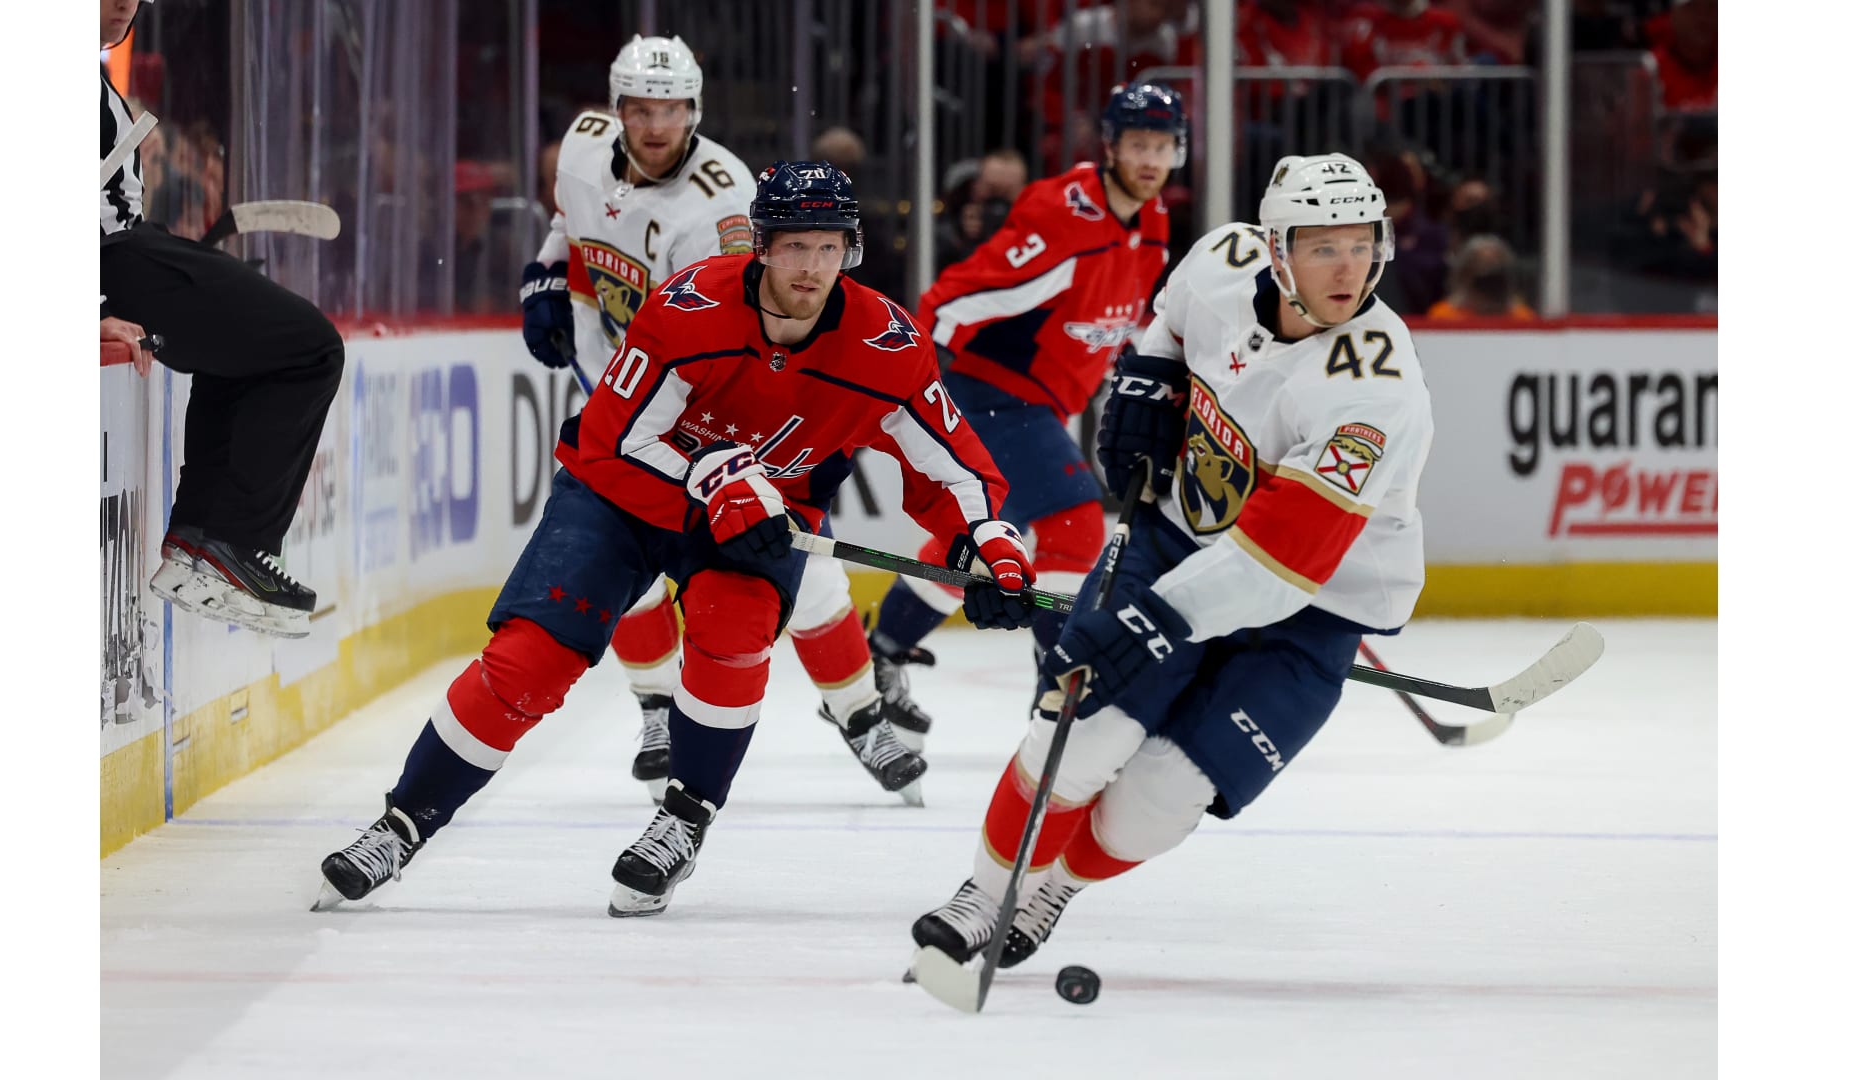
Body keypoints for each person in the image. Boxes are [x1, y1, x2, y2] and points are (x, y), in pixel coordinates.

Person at [318, 162, 1039, 918]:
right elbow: (618, 438)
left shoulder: (886, 345)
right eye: (795, 246)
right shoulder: (688, 306)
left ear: (849, 250)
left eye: (829, 247)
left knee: (732, 640)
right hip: (622, 496)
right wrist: (714, 474)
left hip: (756, 520)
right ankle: (403, 822)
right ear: (762, 245)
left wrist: (986, 542)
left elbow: (953, 468)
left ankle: (683, 819)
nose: (811, 267)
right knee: (530, 660)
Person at [910, 153, 1435, 969]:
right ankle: (983, 896)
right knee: (1079, 730)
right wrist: (1152, 376)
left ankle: (1053, 890)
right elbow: (1173, 322)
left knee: (1157, 800)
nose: (1349, 268)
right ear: (1276, 249)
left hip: (1314, 602)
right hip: (1181, 535)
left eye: (1362, 245)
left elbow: (1276, 564)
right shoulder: (1222, 261)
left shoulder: (1376, 388)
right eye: (1324, 246)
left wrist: (1155, 622)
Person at [519, 36, 926, 805]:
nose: (656, 125)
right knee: (620, 559)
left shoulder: (721, 201)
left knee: (801, 568)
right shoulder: (580, 146)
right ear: (617, 108)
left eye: (671, 109)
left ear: (695, 110)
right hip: (626, 396)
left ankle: (859, 714)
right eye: (641, 108)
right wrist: (545, 272)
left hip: (719, 411)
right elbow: (570, 222)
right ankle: (656, 712)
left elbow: (733, 323)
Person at [865, 82, 1182, 749]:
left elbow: (1115, 321)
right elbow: (962, 295)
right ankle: (1056, 687)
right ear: (1110, 146)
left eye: (1163, 146)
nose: (1150, 160)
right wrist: (913, 371)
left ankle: (882, 653)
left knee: (985, 540)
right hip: (989, 389)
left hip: (1040, 401)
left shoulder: (1153, 221)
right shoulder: (1064, 212)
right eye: (1138, 144)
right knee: (1073, 526)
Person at [98, 0, 344, 640]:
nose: (123, 2)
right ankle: (230, 546)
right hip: (112, 263)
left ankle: (199, 541)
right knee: (311, 349)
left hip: (125, 251)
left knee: (249, 347)